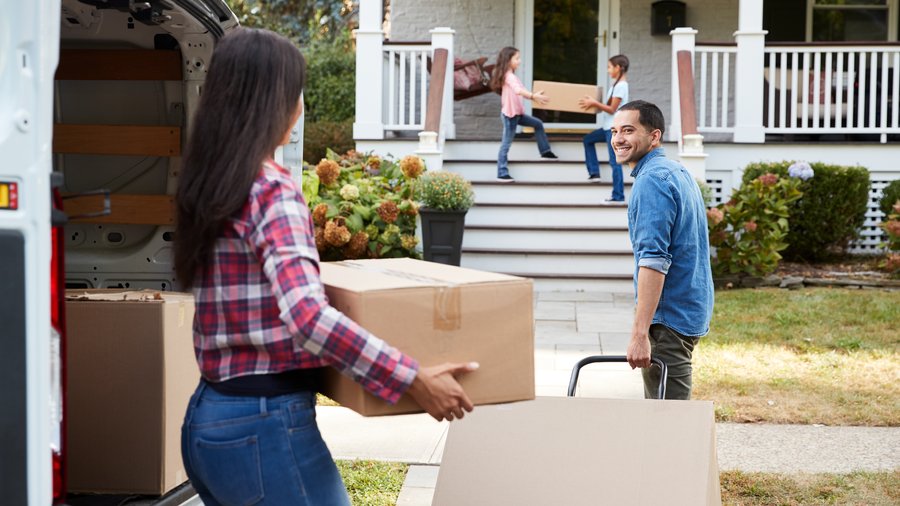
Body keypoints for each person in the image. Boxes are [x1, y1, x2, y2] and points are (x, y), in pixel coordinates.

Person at [173, 28, 477, 505]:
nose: (301, 107)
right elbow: (307, 317)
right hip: (263, 423)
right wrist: (412, 377)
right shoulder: (272, 190)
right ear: (275, 102)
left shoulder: (211, 184)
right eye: (297, 93)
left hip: (208, 418)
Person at [609, 100, 714, 400]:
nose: (618, 138)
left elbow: (654, 261)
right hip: (687, 311)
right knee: (669, 424)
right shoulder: (676, 171)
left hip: (668, 319)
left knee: (670, 425)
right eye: (615, 131)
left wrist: (640, 333)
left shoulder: (652, 181)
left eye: (628, 130)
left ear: (654, 136)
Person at [489, 46, 557, 183]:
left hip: (517, 114)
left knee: (538, 124)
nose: (519, 61)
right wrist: (532, 96)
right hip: (510, 116)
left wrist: (535, 96)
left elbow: (522, 90)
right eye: (517, 58)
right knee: (506, 144)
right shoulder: (509, 76)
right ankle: (501, 173)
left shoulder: (512, 76)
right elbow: (518, 91)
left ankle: (545, 152)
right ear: (508, 60)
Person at [578, 54, 630, 203]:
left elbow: (612, 109)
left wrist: (594, 103)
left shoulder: (621, 86)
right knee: (588, 140)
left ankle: (618, 196)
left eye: (610, 67)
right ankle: (594, 173)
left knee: (615, 162)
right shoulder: (616, 85)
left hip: (613, 129)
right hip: (608, 127)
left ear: (618, 68)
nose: (608, 71)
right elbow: (608, 107)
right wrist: (593, 105)